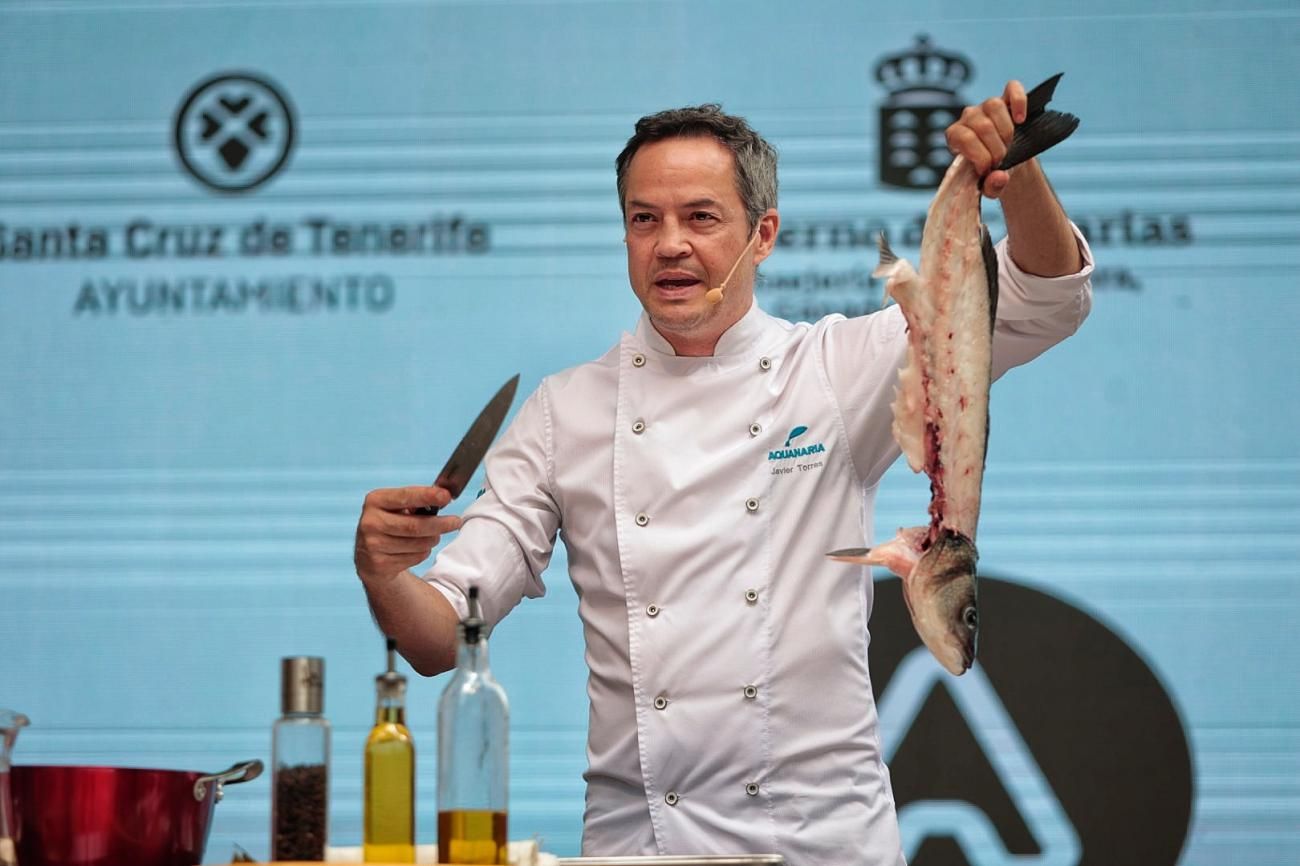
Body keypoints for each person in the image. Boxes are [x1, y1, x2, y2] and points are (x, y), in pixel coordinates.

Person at [354, 80, 1093, 865]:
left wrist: (1015, 166)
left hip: (820, 843)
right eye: (645, 220)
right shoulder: (561, 412)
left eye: (700, 217)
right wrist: (381, 574)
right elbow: (442, 636)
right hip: (639, 845)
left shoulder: (838, 369)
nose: (670, 244)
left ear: (763, 234)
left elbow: (1042, 300)